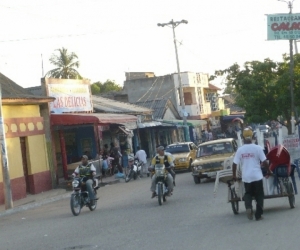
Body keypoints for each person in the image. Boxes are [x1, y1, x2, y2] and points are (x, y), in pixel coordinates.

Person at [232, 128, 269, 221]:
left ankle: (248, 207)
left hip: (246, 177)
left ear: (243, 137)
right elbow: (265, 162)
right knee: (259, 195)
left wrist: (234, 175)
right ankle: (258, 215)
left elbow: (234, 164)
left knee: (248, 193)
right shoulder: (258, 148)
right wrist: (269, 171)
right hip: (257, 176)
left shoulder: (240, 150)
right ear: (252, 137)